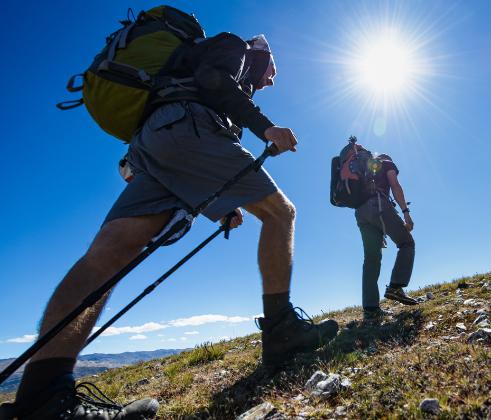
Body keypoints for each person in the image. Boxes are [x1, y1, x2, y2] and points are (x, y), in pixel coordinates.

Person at [0, 32, 338, 419]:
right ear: (260, 55)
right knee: (281, 213)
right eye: (273, 70)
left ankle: (42, 398)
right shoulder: (236, 48)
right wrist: (266, 127)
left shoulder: (188, 70)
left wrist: (222, 204)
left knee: (106, 256)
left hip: (155, 141)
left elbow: (201, 111)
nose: (272, 80)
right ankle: (282, 331)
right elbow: (215, 82)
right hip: (189, 128)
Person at [345, 144, 418, 324]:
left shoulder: (364, 168)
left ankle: (370, 310)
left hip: (360, 213)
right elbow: (395, 185)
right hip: (378, 205)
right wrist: (406, 212)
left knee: (371, 259)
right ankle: (396, 286)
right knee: (406, 243)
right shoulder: (387, 163)